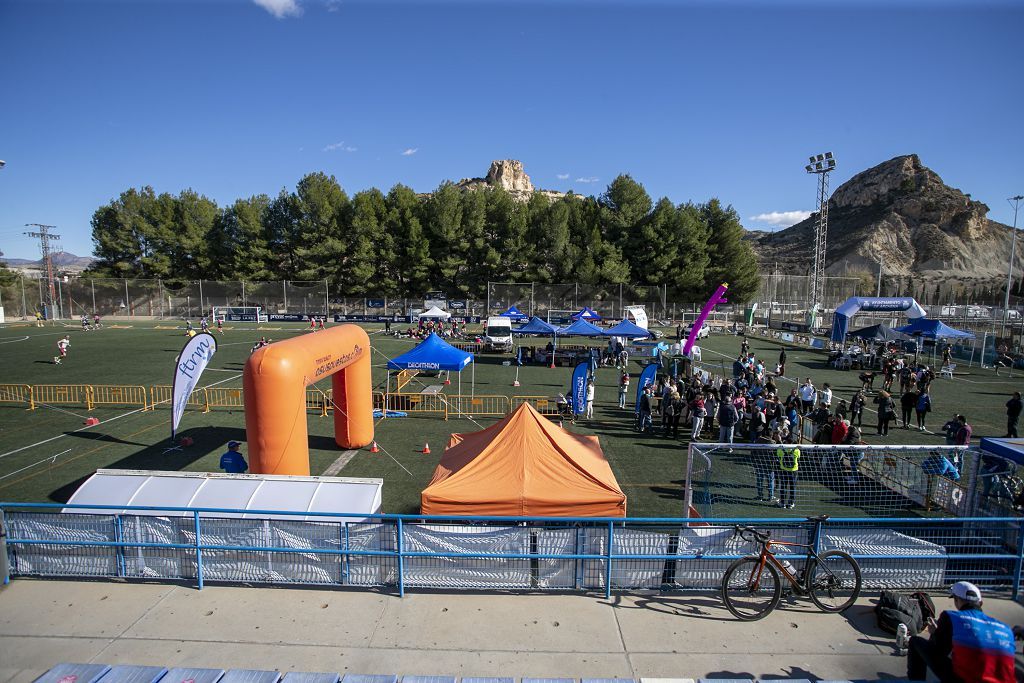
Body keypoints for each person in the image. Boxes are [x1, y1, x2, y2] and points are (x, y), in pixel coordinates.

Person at [907, 581, 1015, 683]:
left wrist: (935, 634)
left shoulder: (951, 617)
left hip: (965, 680)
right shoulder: (1005, 628)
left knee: (915, 642)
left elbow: (938, 651)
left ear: (957, 600)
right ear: (980, 603)